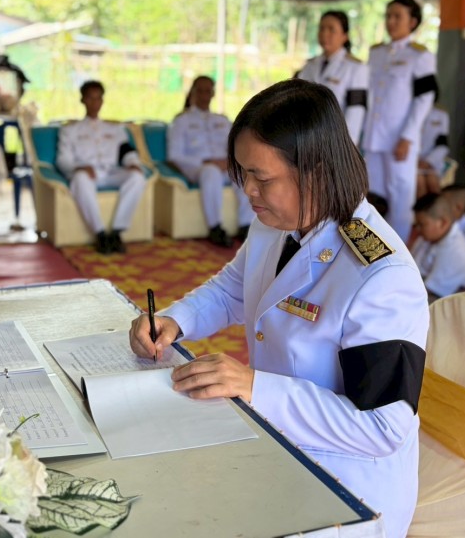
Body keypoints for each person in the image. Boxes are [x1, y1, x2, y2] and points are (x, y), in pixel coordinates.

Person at [129, 80, 428, 538]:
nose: (248, 190)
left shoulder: (379, 275)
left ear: (315, 172)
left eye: (262, 178)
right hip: (278, 448)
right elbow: (235, 288)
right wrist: (175, 320)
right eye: (243, 173)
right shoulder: (276, 222)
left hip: (347, 490)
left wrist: (255, 387)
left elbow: (381, 428)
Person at [362, 0, 437, 242]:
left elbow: (424, 99)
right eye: (388, 16)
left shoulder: (420, 56)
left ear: (412, 22)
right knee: (372, 196)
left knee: (400, 197)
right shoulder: (377, 53)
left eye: (397, 17)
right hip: (374, 137)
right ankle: (372, 248)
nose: (391, 21)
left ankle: (398, 251)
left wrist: (408, 136)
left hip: (400, 139)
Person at [55, 80, 146, 254]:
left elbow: (126, 151)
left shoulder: (115, 129)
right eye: (90, 98)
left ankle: (117, 232)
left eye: (98, 98)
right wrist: (79, 167)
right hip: (87, 175)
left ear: (103, 101)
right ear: (82, 100)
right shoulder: (70, 130)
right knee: (80, 179)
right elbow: (63, 160)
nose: (95, 103)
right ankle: (100, 234)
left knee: (137, 177)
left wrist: (132, 164)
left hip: (110, 172)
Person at [168, 76, 254, 246]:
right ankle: (215, 227)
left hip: (225, 165)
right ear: (192, 93)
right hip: (197, 167)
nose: (204, 95)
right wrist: (207, 162)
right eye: (200, 91)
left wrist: (230, 162)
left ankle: (246, 226)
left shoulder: (222, 120)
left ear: (213, 94)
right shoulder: (181, 121)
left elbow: (238, 146)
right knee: (211, 172)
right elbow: (174, 155)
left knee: (244, 173)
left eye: (208, 91)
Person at [297, 10, 368, 145]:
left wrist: (348, 146)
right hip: (306, 139)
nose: (325, 34)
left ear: (344, 36)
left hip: (336, 143)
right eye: (322, 28)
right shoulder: (310, 65)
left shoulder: (356, 68)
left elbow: (356, 111)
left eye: (331, 30)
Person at [411, 193, 465, 300]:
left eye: (422, 224)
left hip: (461, 298)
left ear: (442, 223)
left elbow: (430, 290)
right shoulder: (426, 239)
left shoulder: (456, 250)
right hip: (430, 287)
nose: (417, 229)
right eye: (416, 224)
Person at [416, 87, 450, 199]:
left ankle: (434, 209)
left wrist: (428, 161)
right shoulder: (407, 114)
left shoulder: (441, 116)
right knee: (420, 184)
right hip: (412, 162)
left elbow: (443, 144)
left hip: (431, 163)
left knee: (433, 183)